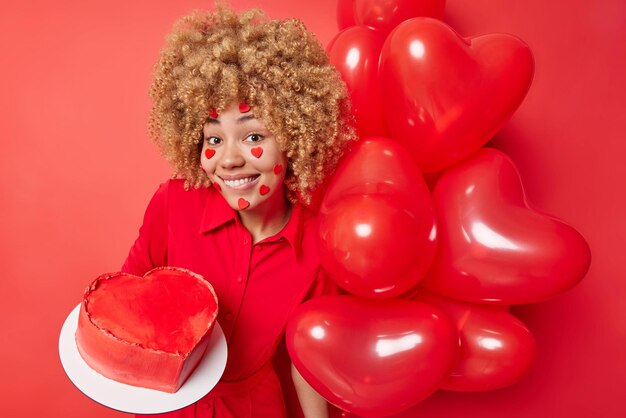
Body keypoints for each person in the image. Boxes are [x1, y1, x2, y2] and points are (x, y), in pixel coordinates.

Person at [122, 4, 356, 418]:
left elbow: (308, 362)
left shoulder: (320, 248)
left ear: (295, 136)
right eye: (213, 140)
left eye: (252, 135)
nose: (227, 160)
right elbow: (130, 301)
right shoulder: (174, 203)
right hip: (166, 402)